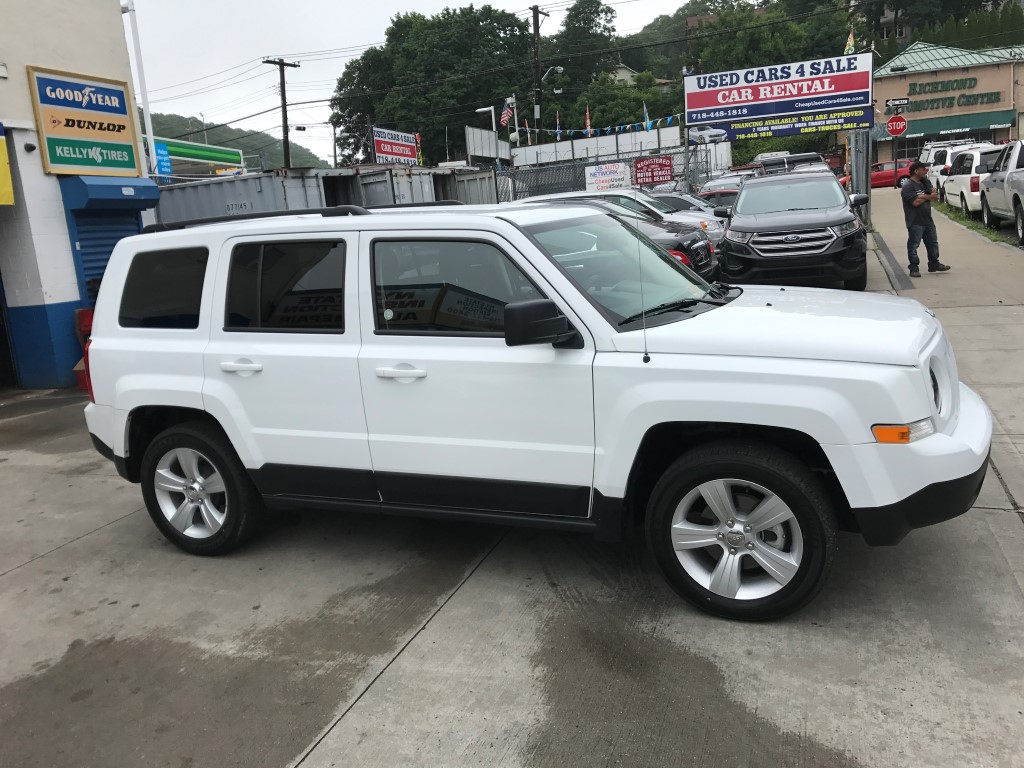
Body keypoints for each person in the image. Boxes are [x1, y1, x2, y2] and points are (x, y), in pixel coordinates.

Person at [901, 161, 950, 278]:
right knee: (913, 245)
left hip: (928, 220)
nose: (925, 171)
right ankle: (914, 267)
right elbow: (915, 202)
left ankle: (934, 264)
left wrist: (924, 195)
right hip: (915, 221)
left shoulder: (925, 182)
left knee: (932, 243)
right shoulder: (908, 186)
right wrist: (927, 196)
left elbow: (934, 193)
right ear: (916, 171)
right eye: (923, 169)